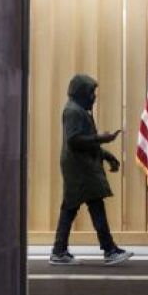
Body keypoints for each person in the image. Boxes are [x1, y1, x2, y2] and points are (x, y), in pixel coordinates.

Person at [50, 74, 133, 266]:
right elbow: (74, 140)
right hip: (80, 168)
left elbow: (85, 143)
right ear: (80, 92)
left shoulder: (78, 110)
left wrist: (107, 155)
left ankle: (60, 250)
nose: (94, 97)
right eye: (91, 92)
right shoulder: (73, 111)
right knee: (88, 205)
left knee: (73, 206)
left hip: (81, 166)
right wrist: (101, 139)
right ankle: (109, 249)